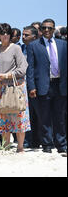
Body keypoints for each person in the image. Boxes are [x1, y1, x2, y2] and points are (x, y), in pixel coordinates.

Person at [0, 23, 30, 153]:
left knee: (18, 116)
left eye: (7, 32)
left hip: (14, 88)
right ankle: (5, 146)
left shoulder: (16, 48)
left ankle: (20, 147)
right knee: (3, 119)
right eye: (2, 33)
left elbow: (22, 69)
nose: (5, 35)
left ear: (10, 34)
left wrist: (5, 75)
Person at [26, 19, 67, 154]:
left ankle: (61, 144)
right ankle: (47, 145)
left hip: (60, 84)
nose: (47, 30)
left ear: (54, 29)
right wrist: (31, 86)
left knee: (59, 116)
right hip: (43, 85)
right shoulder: (33, 45)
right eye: (44, 28)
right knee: (44, 117)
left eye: (49, 28)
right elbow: (30, 68)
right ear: (40, 30)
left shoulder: (63, 45)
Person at [21, 26, 41, 148]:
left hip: (36, 87)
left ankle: (40, 140)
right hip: (23, 87)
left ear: (34, 37)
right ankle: (28, 141)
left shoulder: (40, 48)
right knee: (26, 116)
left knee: (39, 115)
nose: (23, 37)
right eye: (23, 35)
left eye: (26, 35)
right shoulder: (21, 49)